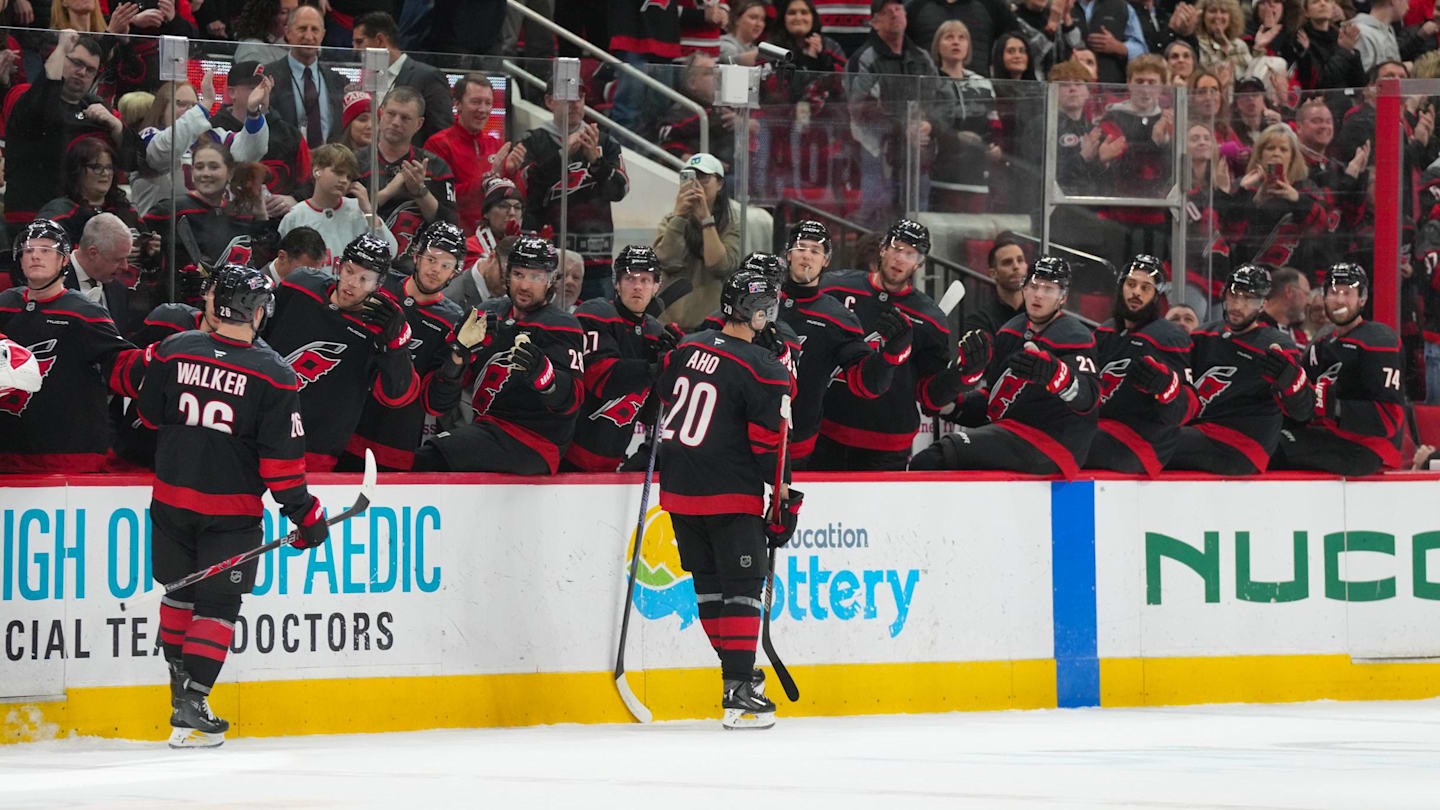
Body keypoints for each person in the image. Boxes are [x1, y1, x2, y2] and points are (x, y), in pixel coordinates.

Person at [135, 264, 327, 749]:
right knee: (217, 605)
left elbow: (147, 412)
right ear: (257, 311)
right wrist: (306, 516)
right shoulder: (276, 375)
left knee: (180, 595)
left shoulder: (174, 349)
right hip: (231, 513)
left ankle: (181, 695)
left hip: (170, 500)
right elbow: (282, 468)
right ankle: (194, 698)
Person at [655, 267, 798, 730]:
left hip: (678, 491)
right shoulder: (766, 368)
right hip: (727, 493)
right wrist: (782, 502)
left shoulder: (686, 347)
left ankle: (738, 675)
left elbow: (665, 397)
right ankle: (737, 691)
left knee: (710, 587)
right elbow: (769, 447)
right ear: (757, 313)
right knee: (743, 589)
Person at [910, 256, 1100, 475]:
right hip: (1011, 434)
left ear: (1062, 297)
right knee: (933, 459)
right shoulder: (1011, 331)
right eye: (1034, 286)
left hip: (1055, 444)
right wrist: (952, 403)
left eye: (1049, 289)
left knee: (936, 458)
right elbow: (995, 402)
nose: (1038, 294)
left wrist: (1057, 375)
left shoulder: (1075, 336)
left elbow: (1089, 398)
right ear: (1024, 288)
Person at [415, 235, 584, 474]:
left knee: (431, 458)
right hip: (486, 429)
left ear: (550, 281)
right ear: (507, 275)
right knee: (425, 455)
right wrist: (459, 355)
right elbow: (437, 403)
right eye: (518, 274)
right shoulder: (487, 314)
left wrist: (545, 376)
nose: (525, 285)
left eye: (535, 277)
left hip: (536, 442)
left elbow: (573, 401)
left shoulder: (562, 325)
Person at [811, 220, 960, 471]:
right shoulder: (835, 288)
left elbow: (929, 396)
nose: (900, 258)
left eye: (910, 253)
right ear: (882, 248)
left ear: (920, 263)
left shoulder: (931, 319)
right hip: (827, 430)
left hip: (887, 443)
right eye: (896, 247)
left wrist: (963, 376)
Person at [264, 234, 420, 471]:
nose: (352, 283)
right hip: (260, 425)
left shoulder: (382, 325)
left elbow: (396, 396)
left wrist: (396, 344)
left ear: (379, 285)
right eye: (349, 271)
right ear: (338, 266)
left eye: (365, 279)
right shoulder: (300, 284)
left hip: (315, 449)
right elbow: (257, 334)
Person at [0, 219, 145, 473]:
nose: (35, 256)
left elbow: (122, 363)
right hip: (9, 449)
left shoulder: (85, 313)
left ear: (64, 260)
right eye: (29, 250)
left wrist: (158, 363)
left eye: (46, 250)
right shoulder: (6, 304)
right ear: (19, 259)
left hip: (68, 453)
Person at [778, 220, 908, 467]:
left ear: (826, 260)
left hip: (798, 445)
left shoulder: (838, 318)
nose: (807, 255)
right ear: (788, 253)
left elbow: (866, 385)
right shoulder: (760, 300)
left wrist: (890, 356)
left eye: (815, 250)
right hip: (742, 433)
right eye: (801, 247)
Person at [1165, 263, 1315, 474]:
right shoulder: (1203, 335)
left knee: (1156, 442)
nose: (1238, 305)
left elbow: (1302, 411)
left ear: (1262, 304)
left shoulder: (1275, 346)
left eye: (1248, 299)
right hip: (1202, 431)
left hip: (1244, 446)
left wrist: (1291, 381)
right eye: (1234, 295)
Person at [340, 222, 466, 472]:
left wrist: (458, 361)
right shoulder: (380, 286)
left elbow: (436, 403)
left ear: (455, 272)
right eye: (431, 259)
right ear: (417, 256)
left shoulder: (453, 321)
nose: (435, 270)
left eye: (446, 265)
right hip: (343, 425)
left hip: (394, 440)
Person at [1270, 263, 1405, 474]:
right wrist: (1287, 389)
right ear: (1324, 297)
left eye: (1347, 292)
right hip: (1326, 436)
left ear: (1363, 299)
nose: (1340, 299)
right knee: (1261, 436)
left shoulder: (1379, 341)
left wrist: (1328, 404)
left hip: (1365, 448)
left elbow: (1388, 419)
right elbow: (1305, 402)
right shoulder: (1321, 341)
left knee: (1271, 448)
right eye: (1333, 292)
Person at [564, 245, 677, 472]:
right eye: (630, 278)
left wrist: (667, 375)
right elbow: (601, 379)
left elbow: (649, 414)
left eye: (645, 280)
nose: (637, 286)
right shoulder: (594, 313)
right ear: (616, 283)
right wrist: (656, 368)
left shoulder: (655, 331)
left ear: (657, 286)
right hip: (568, 455)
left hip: (613, 461)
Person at [517, 75, 629, 302]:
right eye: (567, 97)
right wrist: (563, 154)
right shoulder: (534, 140)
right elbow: (528, 188)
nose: (575, 102)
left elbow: (619, 191)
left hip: (596, 260)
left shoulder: (605, 142)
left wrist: (596, 162)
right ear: (549, 101)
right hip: (546, 256)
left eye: (579, 96)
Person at [1085, 255, 1198, 474]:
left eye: (1146, 288)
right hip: (1103, 428)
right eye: (1131, 284)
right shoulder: (1105, 331)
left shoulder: (1169, 337)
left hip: (1143, 444)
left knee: (1069, 440)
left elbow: (1188, 408)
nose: (1136, 292)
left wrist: (1169, 388)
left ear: (1157, 297)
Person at [4, 32, 119, 228]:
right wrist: (61, 48)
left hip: (77, 215)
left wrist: (117, 127)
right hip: (31, 215)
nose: (82, 72)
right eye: (76, 63)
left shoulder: (96, 110)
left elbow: (132, 159)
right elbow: (43, 108)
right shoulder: (27, 97)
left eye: (90, 69)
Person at [142, 142, 277, 295]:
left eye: (214, 167)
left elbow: (263, 258)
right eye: (199, 167)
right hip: (181, 305)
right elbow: (143, 256)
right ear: (192, 172)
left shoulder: (240, 213)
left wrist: (260, 213)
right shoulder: (169, 210)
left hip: (228, 306)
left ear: (230, 173)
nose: (205, 173)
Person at [131, 70, 272, 217]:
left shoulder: (215, 137)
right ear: (162, 108)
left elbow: (251, 151)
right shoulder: (148, 137)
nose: (190, 110)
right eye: (181, 103)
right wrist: (205, 105)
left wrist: (253, 112)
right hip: (162, 231)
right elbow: (161, 154)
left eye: (194, 104)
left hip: (211, 228)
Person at [848, 0, 937, 227]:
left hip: (916, 147)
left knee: (918, 206)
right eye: (887, 12)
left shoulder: (921, 56)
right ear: (875, 22)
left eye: (899, 9)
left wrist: (929, 123)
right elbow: (859, 105)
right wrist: (900, 127)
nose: (895, 15)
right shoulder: (865, 57)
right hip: (875, 146)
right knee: (878, 208)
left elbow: (938, 96)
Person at [355, 87, 459, 261]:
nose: (396, 122)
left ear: (418, 124)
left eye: (405, 118)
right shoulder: (356, 162)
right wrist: (390, 190)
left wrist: (420, 192)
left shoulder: (436, 167)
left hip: (415, 264)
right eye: (391, 114)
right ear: (380, 115)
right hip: (361, 257)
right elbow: (345, 214)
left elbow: (450, 225)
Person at [424, 74, 525, 237]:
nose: (483, 109)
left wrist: (513, 173)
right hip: (455, 237)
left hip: (495, 239)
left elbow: (518, 201)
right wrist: (487, 181)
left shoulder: (496, 144)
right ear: (457, 104)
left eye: (488, 103)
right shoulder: (438, 144)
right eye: (476, 102)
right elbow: (441, 199)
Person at [654, 153, 740, 329]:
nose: (696, 184)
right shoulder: (670, 221)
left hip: (710, 327)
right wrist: (679, 217)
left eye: (703, 178)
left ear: (720, 184)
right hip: (669, 325)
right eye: (689, 177)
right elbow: (665, 261)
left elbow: (720, 266)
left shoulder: (731, 224)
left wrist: (706, 220)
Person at [279, 143, 396, 263]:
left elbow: (391, 252)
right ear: (316, 171)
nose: (344, 180)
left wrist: (368, 211)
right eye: (338, 172)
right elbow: (284, 264)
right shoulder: (295, 216)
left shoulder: (359, 210)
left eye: (349, 176)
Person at [211, 61, 310, 204]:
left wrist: (294, 199)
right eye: (253, 88)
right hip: (226, 216)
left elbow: (309, 181)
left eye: (265, 87)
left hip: (277, 220)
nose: (260, 93)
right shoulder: (212, 130)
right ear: (232, 92)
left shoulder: (289, 135)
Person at [927, 20, 999, 213]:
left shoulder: (983, 84)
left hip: (977, 175)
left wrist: (996, 147)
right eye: (949, 37)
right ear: (937, 46)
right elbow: (929, 125)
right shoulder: (929, 83)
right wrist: (954, 137)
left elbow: (994, 124)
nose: (956, 42)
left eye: (961, 38)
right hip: (940, 176)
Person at [352, 11, 453, 145]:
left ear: (380, 40)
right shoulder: (368, 78)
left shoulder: (428, 77)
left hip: (413, 162)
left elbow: (442, 133)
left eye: (359, 42)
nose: (355, 49)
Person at [265, 4, 348, 147]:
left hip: (329, 164)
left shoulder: (339, 81)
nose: (309, 36)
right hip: (286, 162)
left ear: (323, 34)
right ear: (288, 32)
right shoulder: (268, 77)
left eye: (314, 29)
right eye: (302, 29)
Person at [966, 236, 1027, 336]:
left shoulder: (1041, 314)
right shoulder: (979, 320)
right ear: (993, 273)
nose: (1016, 266)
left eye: (1020, 260)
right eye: (1007, 262)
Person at [1259, 265, 1312, 346]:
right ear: (1289, 291)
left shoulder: (1301, 337)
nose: (1309, 302)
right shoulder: (1253, 328)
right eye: (1306, 294)